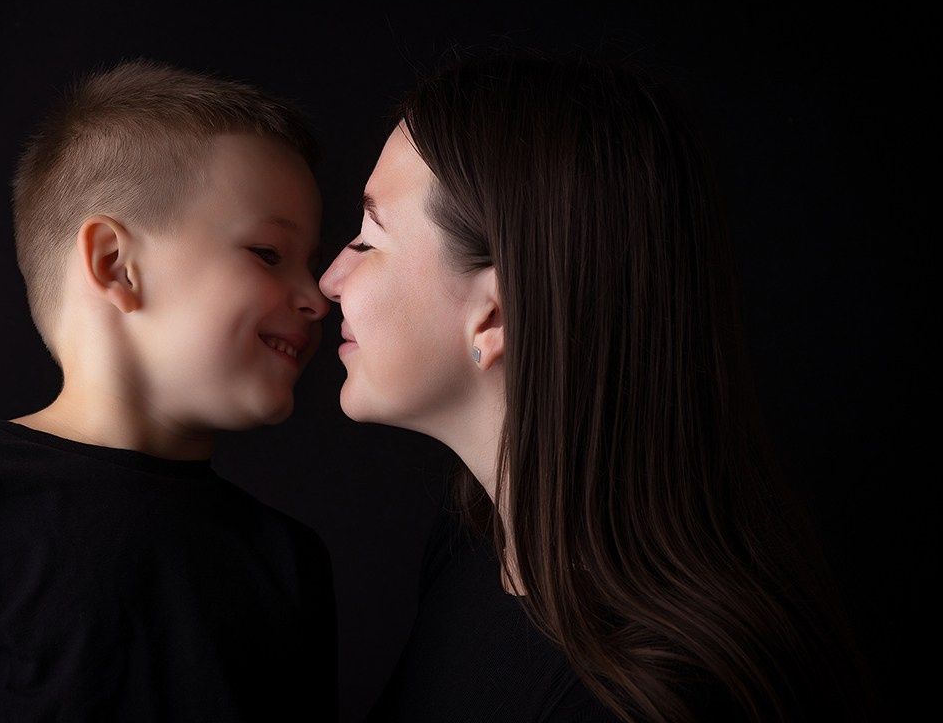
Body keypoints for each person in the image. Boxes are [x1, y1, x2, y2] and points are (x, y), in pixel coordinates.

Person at [319, 49, 876, 722]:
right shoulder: (474, 545)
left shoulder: (645, 700)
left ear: (493, 314)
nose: (329, 281)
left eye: (369, 239)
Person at [0, 58, 339, 721]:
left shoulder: (288, 563)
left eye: (311, 264)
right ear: (115, 265)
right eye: (269, 253)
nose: (318, 296)